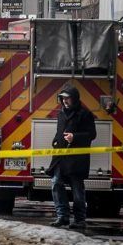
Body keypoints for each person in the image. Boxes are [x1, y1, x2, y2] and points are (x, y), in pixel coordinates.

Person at [47, 87, 97, 230]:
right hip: (60, 157)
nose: (64, 100)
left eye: (67, 98)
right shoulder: (61, 114)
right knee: (56, 183)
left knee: (77, 189)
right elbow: (59, 132)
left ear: (74, 98)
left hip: (77, 159)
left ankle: (80, 219)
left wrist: (74, 137)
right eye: (62, 98)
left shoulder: (85, 114)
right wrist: (56, 142)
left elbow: (92, 135)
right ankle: (62, 216)